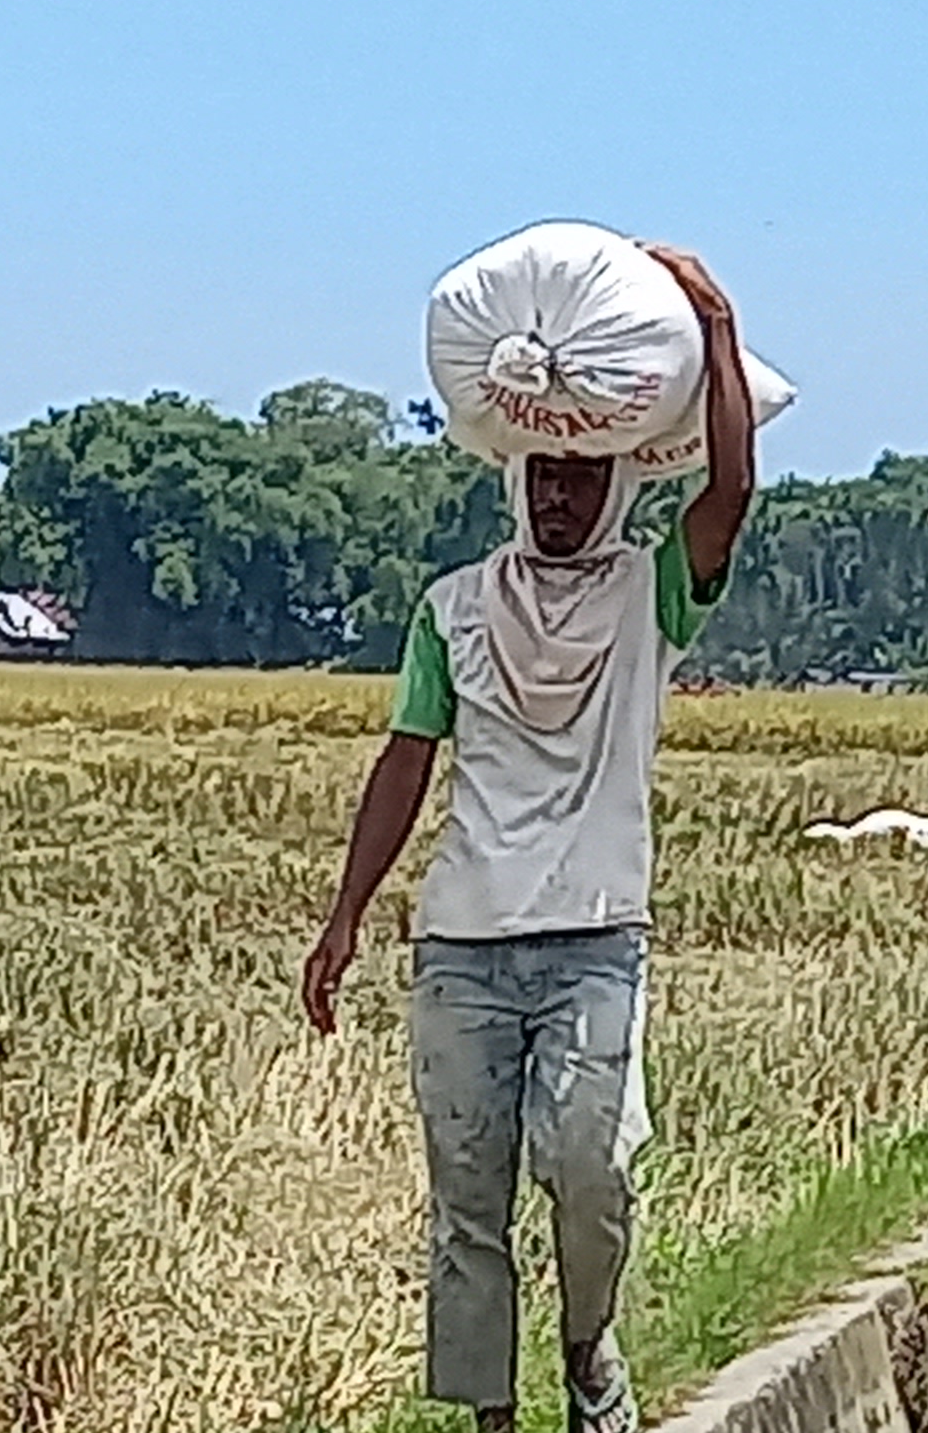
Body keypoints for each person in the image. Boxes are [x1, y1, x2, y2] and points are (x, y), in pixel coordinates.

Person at [298, 247, 756, 1433]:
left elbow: (729, 499)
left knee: (589, 1168)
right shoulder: (452, 610)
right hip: (463, 944)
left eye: (580, 478)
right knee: (466, 1197)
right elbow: (406, 758)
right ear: (517, 479)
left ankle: (587, 1341)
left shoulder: (648, 598)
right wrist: (346, 916)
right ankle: (490, 1412)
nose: (560, 496)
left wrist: (711, 317)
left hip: (596, 937)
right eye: (543, 475)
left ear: (613, 487)